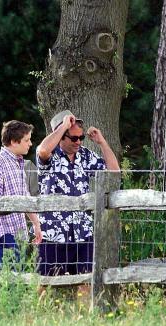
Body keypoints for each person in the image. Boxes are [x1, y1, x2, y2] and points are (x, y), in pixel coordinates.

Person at [36, 110, 120, 290]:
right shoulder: (51, 156)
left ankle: (83, 317)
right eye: (74, 138)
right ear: (61, 136)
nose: (79, 142)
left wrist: (102, 142)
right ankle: (36, 316)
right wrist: (64, 125)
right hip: (53, 232)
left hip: (82, 230)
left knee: (85, 281)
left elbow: (114, 172)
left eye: (81, 137)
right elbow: (42, 150)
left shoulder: (85, 155)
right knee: (45, 283)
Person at [0, 120, 42, 268]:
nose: (30, 144)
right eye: (26, 140)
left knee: (18, 273)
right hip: (3, 231)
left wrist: (36, 223)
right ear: (14, 142)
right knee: (10, 275)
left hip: (18, 230)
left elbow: (24, 197)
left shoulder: (19, 162)